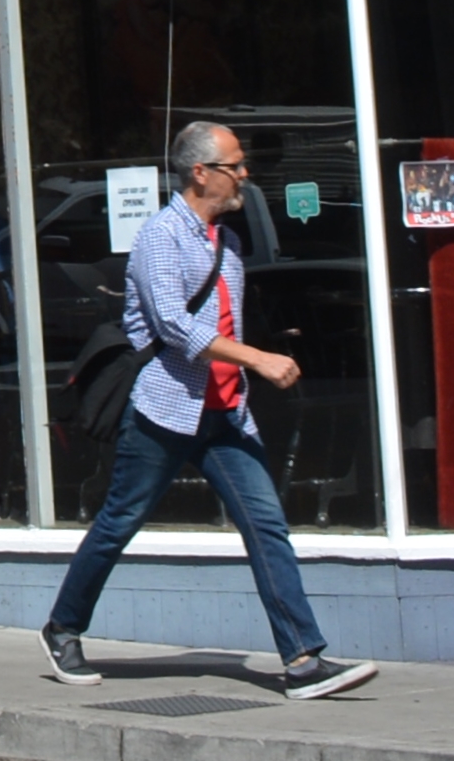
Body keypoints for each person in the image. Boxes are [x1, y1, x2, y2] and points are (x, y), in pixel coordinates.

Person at [38, 120, 375, 699]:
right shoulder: (159, 237)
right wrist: (259, 359)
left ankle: (301, 660)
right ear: (201, 173)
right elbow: (174, 326)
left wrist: (244, 373)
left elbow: (225, 319)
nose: (244, 174)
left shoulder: (230, 242)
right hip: (166, 411)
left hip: (225, 415)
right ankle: (62, 627)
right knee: (121, 520)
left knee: (266, 525)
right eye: (234, 164)